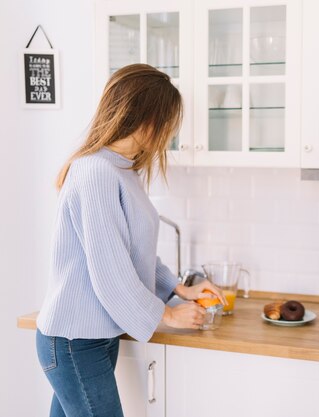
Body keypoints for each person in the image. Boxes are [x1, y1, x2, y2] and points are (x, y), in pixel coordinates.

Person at [35, 63, 226, 417]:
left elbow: (130, 253)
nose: (169, 135)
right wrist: (168, 315)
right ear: (147, 119)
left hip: (92, 339)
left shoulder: (122, 170)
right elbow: (111, 274)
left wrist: (178, 288)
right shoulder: (96, 172)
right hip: (74, 341)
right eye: (168, 124)